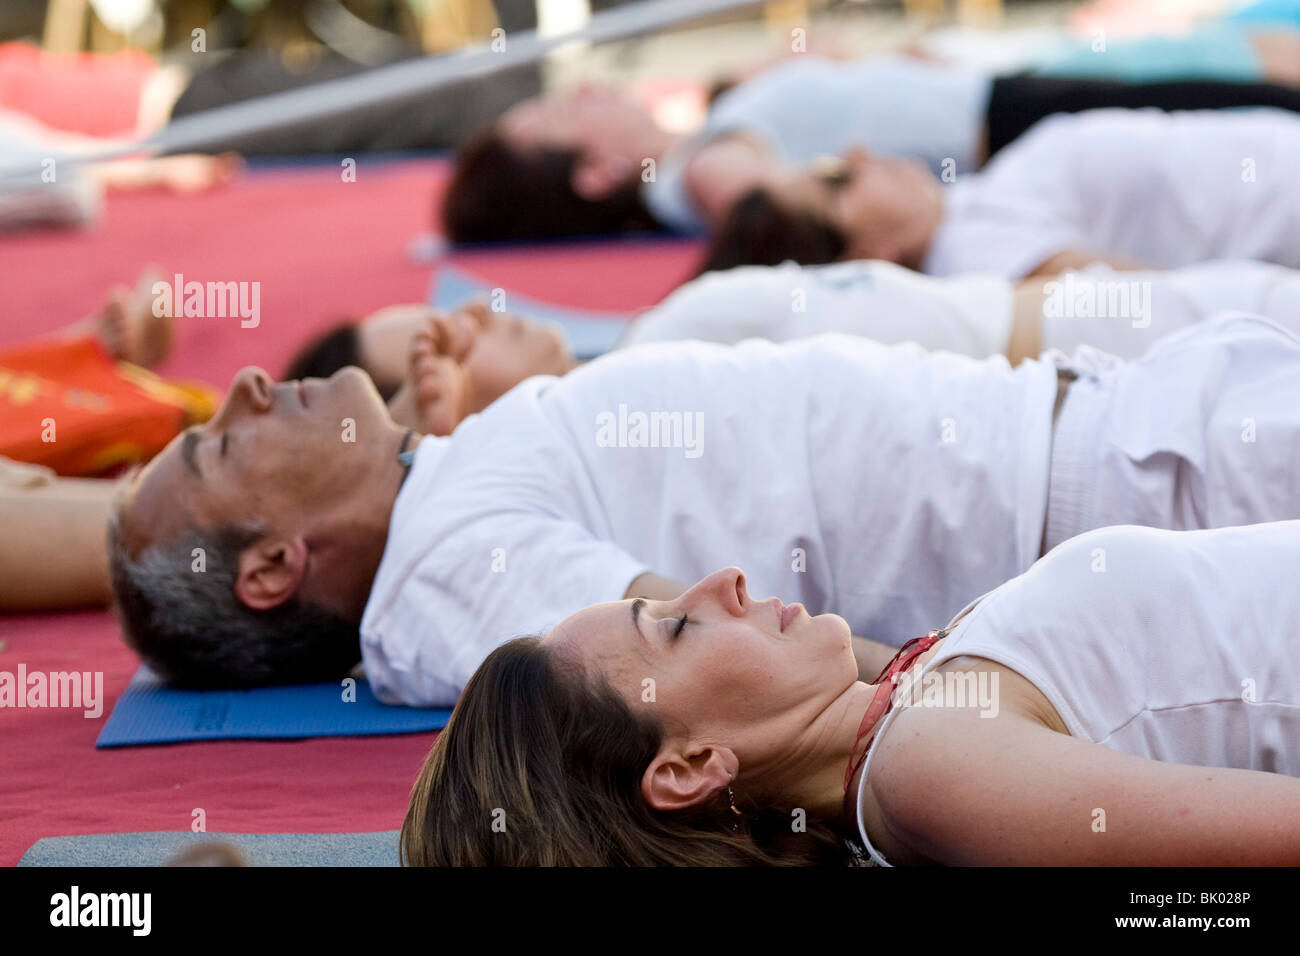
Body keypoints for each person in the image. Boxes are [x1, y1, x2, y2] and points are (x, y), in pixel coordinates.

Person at [108, 313, 1300, 706]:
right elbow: (728, 664)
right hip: (1143, 496)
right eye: (221, 444)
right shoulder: (447, 575)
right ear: (269, 565)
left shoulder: (444, 501)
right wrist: (999, 696)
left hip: (1135, 436)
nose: (253, 384)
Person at [401, 521, 1300, 866]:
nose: (723, 580)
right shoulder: (932, 776)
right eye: (676, 626)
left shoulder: (899, 718)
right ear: (688, 769)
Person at [443, 54, 1300, 242]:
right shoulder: (704, 167)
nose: (585, 90)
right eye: (563, 114)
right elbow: (769, 210)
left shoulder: (708, 131)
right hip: (1015, 123)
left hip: (1017, 106)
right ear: (594, 173)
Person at [700, 107, 1300, 278]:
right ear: (866, 255)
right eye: (837, 179)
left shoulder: (973, 213)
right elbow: (1169, 304)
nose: (859, 154)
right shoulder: (976, 254)